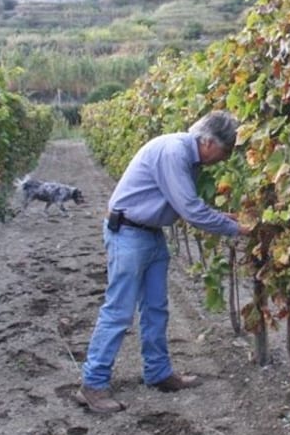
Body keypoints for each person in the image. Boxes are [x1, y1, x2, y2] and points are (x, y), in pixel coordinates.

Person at [76, 110, 251, 414]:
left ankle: (158, 372)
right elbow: (190, 209)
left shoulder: (186, 155)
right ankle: (93, 384)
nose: (224, 159)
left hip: (150, 234)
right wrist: (235, 228)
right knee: (119, 311)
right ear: (208, 142)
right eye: (225, 151)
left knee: (156, 307)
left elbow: (184, 203)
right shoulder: (174, 152)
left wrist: (224, 217)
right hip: (129, 235)